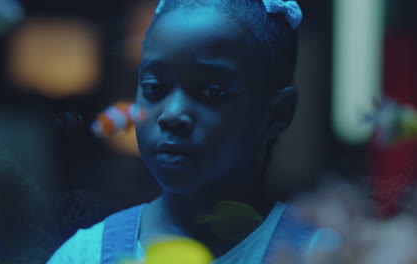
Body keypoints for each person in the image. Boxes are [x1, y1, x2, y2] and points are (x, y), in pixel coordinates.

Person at [47, 0, 339, 263]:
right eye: (153, 88)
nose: (172, 114)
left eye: (212, 92)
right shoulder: (87, 255)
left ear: (278, 113)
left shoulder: (318, 254)